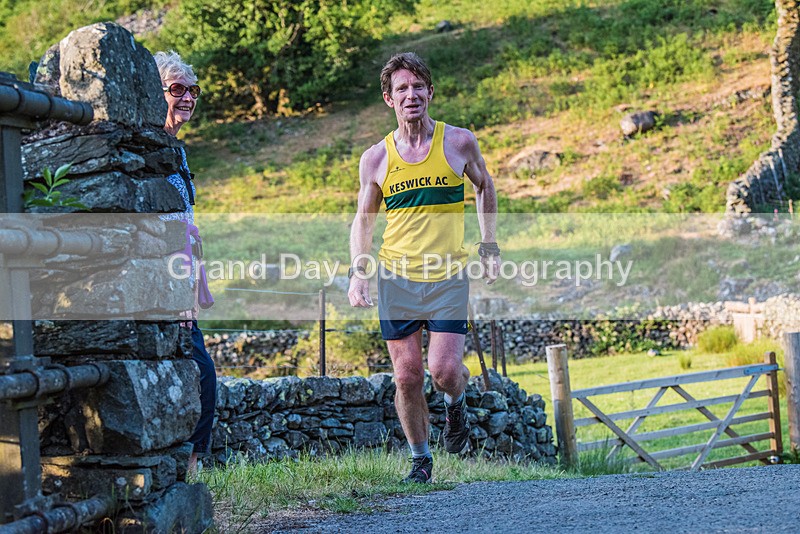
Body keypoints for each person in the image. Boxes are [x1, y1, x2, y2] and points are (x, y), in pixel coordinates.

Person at [348, 52, 500, 483]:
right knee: (407, 376)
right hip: (396, 277)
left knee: (445, 372)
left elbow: (485, 186)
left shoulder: (459, 142)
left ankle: (456, 405)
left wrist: (489, 246)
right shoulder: (375, 158)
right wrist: (360, 271)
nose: (411, 95)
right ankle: (420, 459)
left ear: (430, 92)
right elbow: (363, 221)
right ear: (388, 99)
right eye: (401, 89)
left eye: (418, 87)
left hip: (448, 274)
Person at [154, 50, 216, 476]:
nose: (188, 97)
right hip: (161, 287)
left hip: (183, 286)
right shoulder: (147, 151)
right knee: (201, 377)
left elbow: (186, 221)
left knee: (201, 379)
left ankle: (188, 472)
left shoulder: (177, 152)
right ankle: (186, 472)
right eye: (177, 89)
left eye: (192, 90)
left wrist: (199, 281)